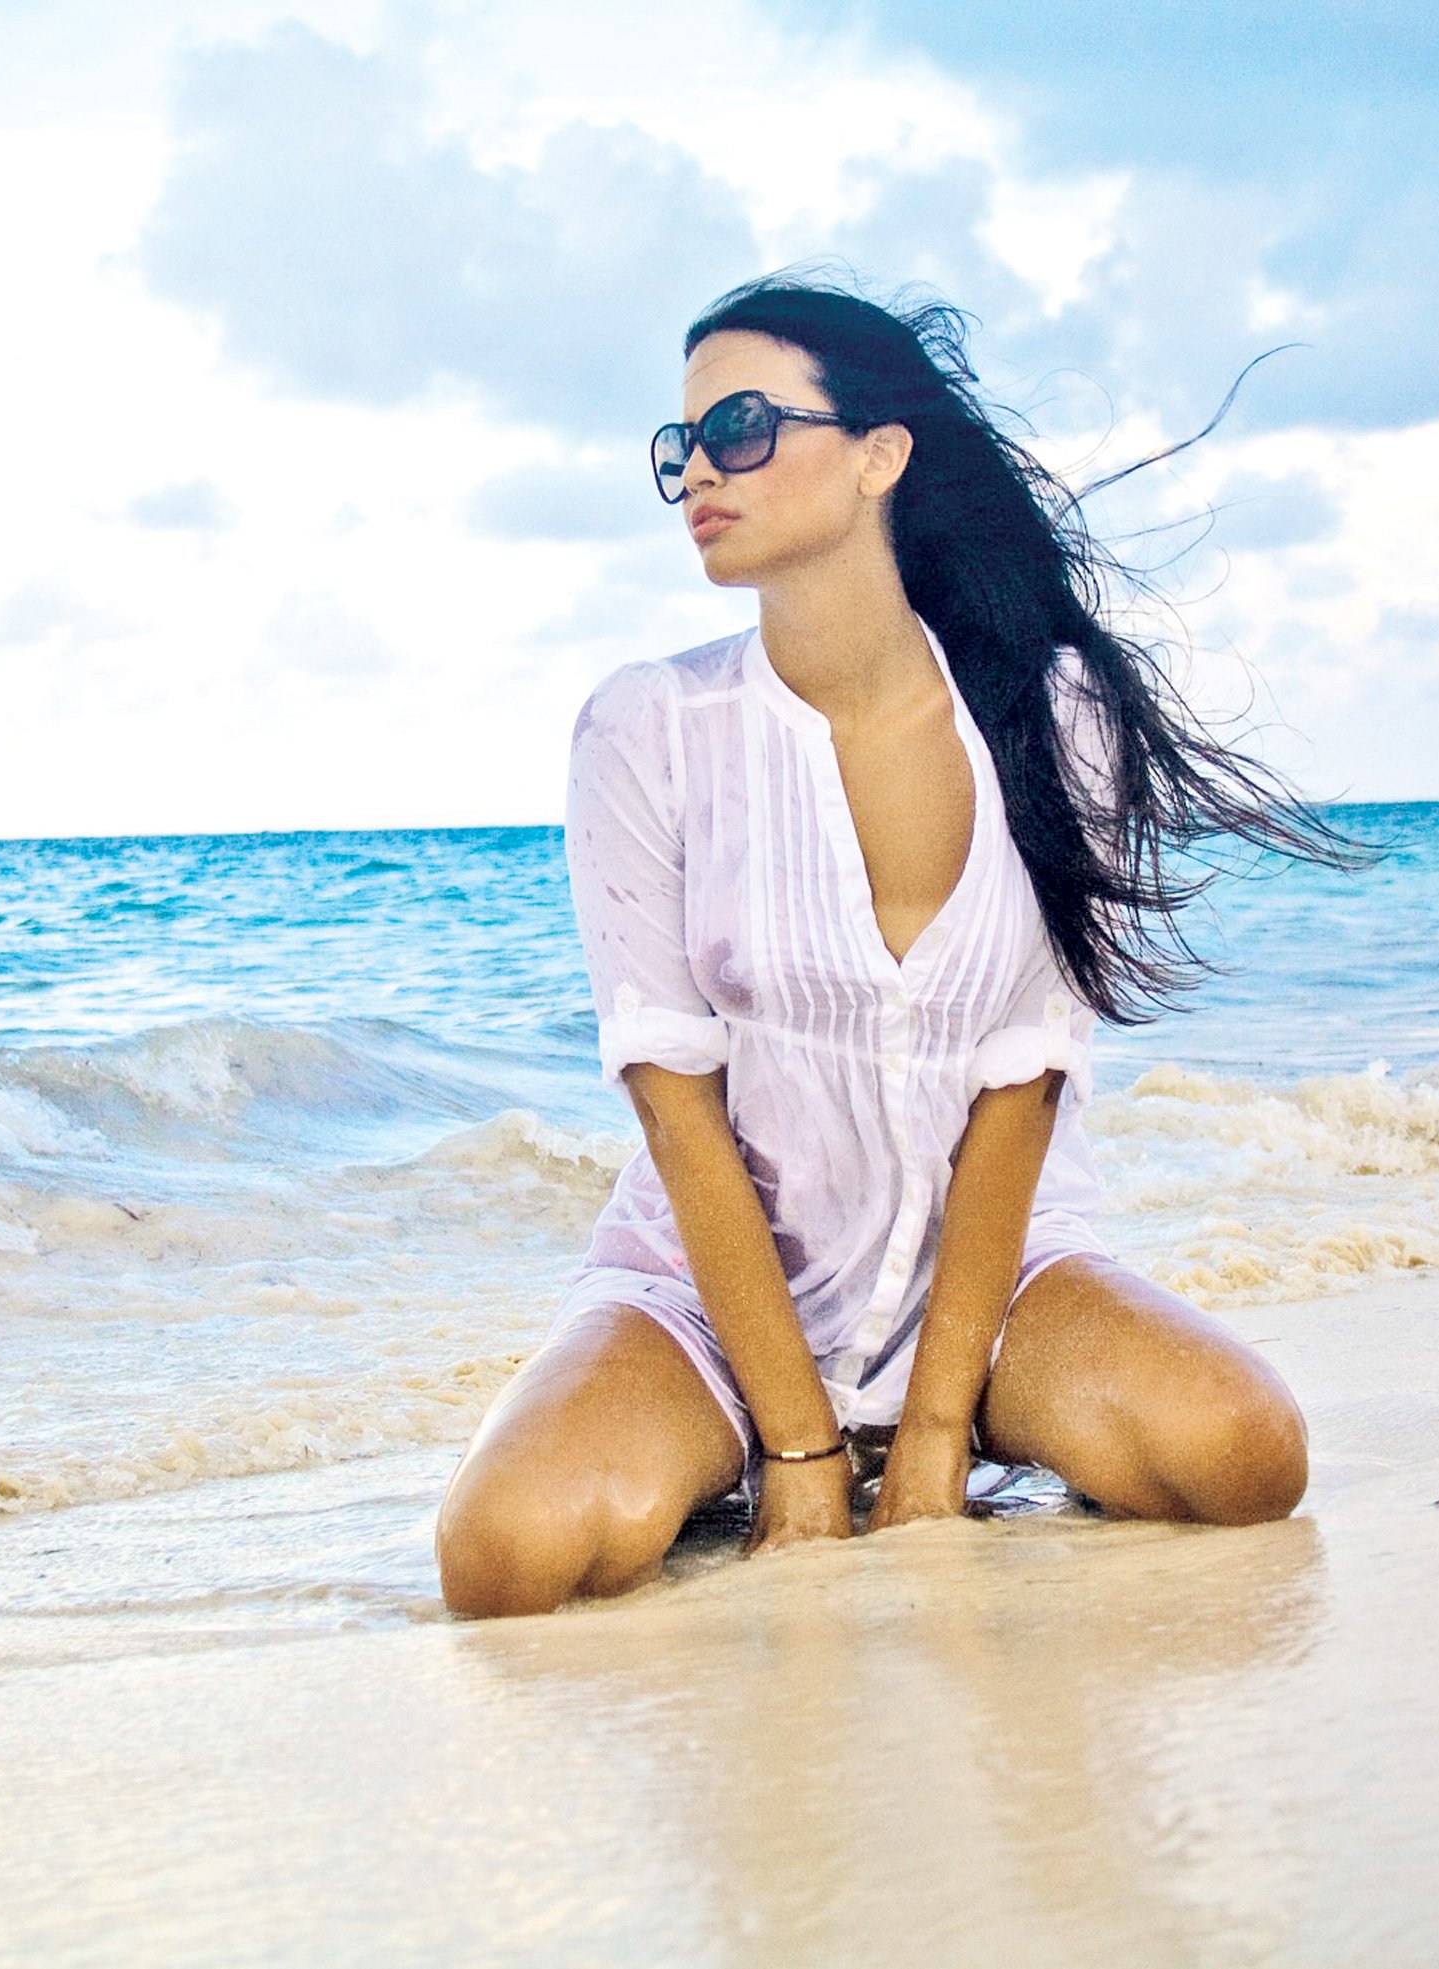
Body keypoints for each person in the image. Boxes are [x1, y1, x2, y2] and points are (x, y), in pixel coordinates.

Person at [435, 273, 1361, 1619]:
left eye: (742, 425)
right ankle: (732, 1449)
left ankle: (968, 1427)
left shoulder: (1057, 718)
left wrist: (932, 1437)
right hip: (709, 1302)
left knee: (1244, 1452)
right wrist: (800, 1452)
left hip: (989, 1289)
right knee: (506, 1556)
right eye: (681, 444)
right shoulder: (647, 728)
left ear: (879, 454)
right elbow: (677, 1110)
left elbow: (1022, 1084)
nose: (700, 469)